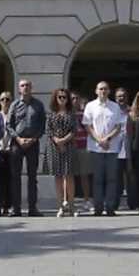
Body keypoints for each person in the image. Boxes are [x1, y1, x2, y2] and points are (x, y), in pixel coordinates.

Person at [84, 81, 125, 216]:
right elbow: (88, 126)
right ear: (96, 91)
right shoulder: (90, 106)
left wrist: (107, 139)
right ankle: (98, 208)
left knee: (112, 179)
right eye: (100, 89)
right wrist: (99, 140)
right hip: (96, 148)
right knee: (97, 179)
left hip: (112, 148)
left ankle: (110, 208)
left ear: (109, 91)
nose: (103, 91)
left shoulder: (115, 107)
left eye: (105, 89)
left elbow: (118, 126)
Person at [7, 79, 46, 216]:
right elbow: (9, 125)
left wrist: (33, 138)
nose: (25, 88)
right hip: (17, 143)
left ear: (31, 88)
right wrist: (18, 138)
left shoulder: (38, 105)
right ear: (19, 89)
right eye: (22, 86)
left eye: (27, 85)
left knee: (32, 177)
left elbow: (42, 124)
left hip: (33, 143)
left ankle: (32, 208)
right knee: (15, 176)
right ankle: (16, 209)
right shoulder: (14, 105)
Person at [47, 88, 76, 217]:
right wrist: (57, 141)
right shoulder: (51, 114)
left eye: (64, 97)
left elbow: (74, 130)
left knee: (68, 176)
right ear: (55, 98)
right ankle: (60, 207)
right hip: (54, 147)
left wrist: (63, 141)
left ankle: (71, 206)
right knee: (58, 177)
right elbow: (48, 130)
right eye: (60, 97)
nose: (62, 99)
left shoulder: (71, 114)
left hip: (68, 146)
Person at [71, 91, 93, 212]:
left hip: (84, 146)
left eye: (76, 98)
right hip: (70, 147)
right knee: (70, 175)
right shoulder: (67, 114)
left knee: (84, 175)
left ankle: (87, 200)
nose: (74, 101)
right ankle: (71, 201)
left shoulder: (85, 114)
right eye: (72, 98)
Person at [115, 87, 133, 209]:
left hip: (129, 148)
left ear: (127, 98)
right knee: (116, 177)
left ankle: (132, 203)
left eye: (123, 96)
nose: (121, 98)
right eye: (119, 96)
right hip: (115, 149)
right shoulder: (112, 112)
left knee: (131, 177)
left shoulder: (132, 111)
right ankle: (115, 203)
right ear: (115, 98)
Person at [0, 91, 14, 216]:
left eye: (7, 99)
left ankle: (8, 206)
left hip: (11, 150)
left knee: (10, 180)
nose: (5, 102)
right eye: (3, 99)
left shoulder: (14, 116)